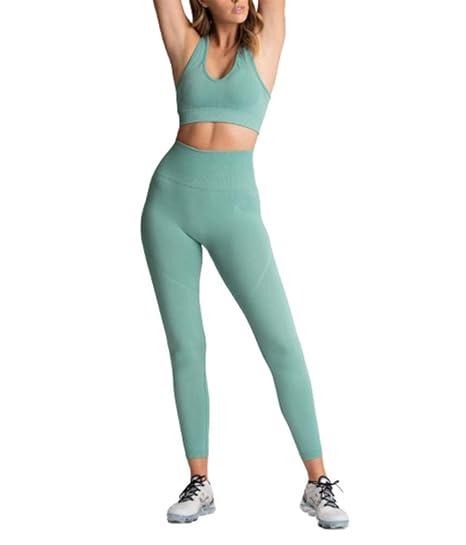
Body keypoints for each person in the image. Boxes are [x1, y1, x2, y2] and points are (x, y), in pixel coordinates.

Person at [140, 0, 349, 530]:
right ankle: (199, 481)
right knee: (187, 345)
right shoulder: (185, 45)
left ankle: (318, 481)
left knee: (282, 343)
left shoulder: (266, 41)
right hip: (168, 206)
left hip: (235, 212)